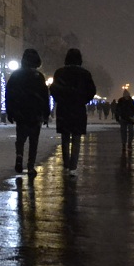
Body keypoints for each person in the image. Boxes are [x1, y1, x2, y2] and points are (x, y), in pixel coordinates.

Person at [49, 48, 97, 176]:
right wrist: (82, 100)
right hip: (78, 109)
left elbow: (53, 89)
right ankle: (73, 165)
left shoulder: (60, 73)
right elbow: (91, 91)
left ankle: (66, 163)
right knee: (76, 137)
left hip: (64, 109)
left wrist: (60, 99)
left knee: (65, 137)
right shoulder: (85, 74)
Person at [6, 48, 51, 176]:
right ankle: (31, 166)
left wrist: (10, 111)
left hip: (20, 111)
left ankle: (19, 156)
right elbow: (44, 96)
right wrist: (46, 113)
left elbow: (9, 94)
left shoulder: (16, 75)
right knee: (33, 140)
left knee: (20, 138)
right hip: (35, 113)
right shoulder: (39, 76)